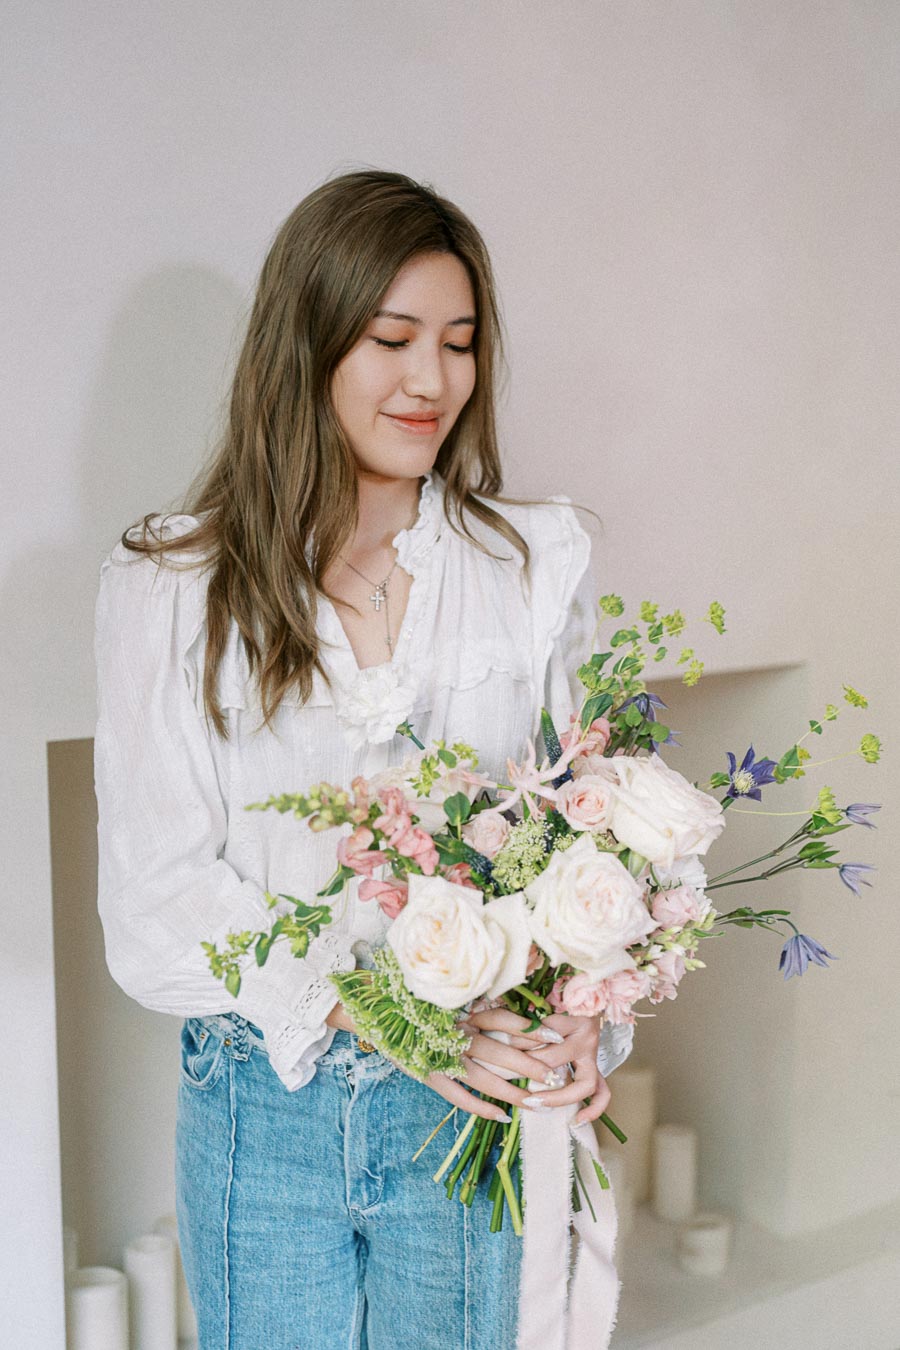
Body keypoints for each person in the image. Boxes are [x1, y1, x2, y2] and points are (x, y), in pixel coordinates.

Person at [94, 168, 631, 1350]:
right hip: (261, 1109)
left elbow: (588, 824)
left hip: (467, 1112)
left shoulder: (533, 566)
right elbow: (154, 902)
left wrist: (589, 1005)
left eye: (459, 341)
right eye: (393, 339)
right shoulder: (172, 588)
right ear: (310, 342)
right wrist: (384, 1009)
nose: (431, 380)